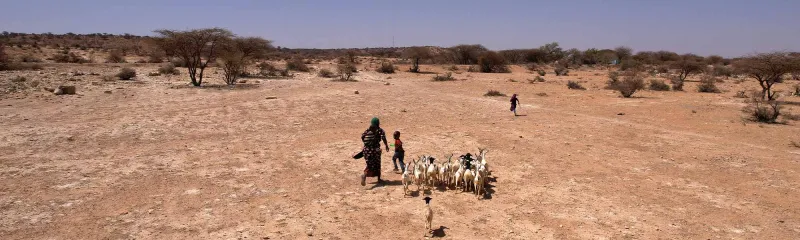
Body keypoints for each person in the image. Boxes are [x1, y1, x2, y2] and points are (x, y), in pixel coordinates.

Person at [360, 117, 389, 186]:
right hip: (375, 150)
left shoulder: (367, 130)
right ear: (378, 123)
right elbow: (383, 138)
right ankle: (376, 178)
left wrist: (366, 146)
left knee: (370, 164)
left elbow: (362, 137)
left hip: (366, 150)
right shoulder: (380, 130)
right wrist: (386, 145)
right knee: (377, 164)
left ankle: (365, 174)